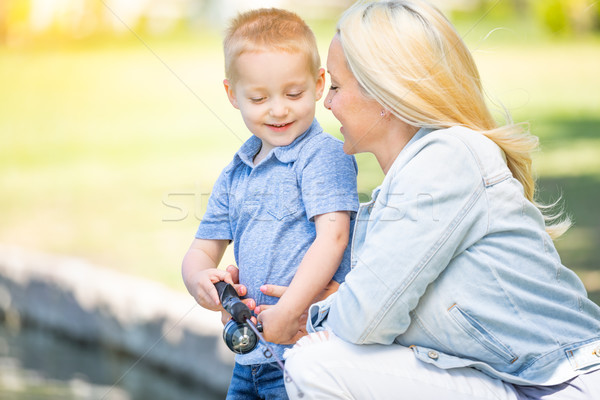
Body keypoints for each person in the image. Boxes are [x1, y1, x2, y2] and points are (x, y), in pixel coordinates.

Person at [252, 1, 600, 399]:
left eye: (336, 86)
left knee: (315, 364)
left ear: (384, 94)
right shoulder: (398, 190)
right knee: (322, 359)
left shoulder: (448, 157)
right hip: (510, 381)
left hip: (563, 383)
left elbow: (366, 320)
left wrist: (301, 314)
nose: (327, 103)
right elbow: (376, 312)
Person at [181, 8, 359, 400]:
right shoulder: (237, 172)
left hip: (309, 352)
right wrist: (199, 281)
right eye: (259, 98)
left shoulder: (321, 155)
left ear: (317, 84)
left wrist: (291, 311)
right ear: (232, 94)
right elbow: (201, 250)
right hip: (250, 362)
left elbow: (334, 237)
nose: (278, 109)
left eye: (293, 93)